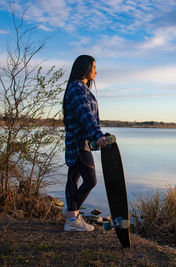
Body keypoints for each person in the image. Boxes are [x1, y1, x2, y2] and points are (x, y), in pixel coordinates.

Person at [62, 55, 107, 231]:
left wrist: (95, 137)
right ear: (85, 68)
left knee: (73, 178)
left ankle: (71, 214)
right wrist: (97, 135)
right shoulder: (76, 88)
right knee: (90, 180)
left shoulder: (80, 88)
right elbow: (85, 114)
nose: (96, 71)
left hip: (81, 141)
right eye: (94, 67)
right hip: (79, 142)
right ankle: (72, 217)